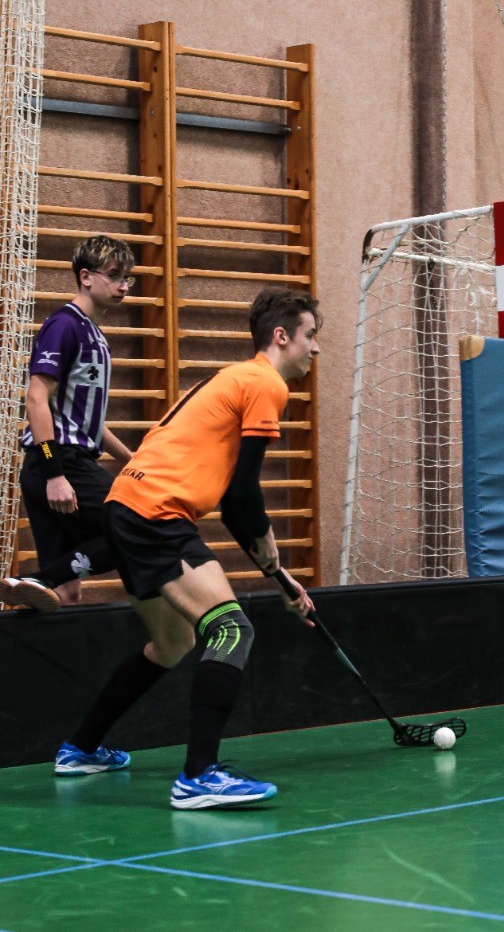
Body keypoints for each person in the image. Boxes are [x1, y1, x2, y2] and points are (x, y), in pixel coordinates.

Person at [54, 287, 321, 810]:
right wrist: (271, 551)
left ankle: (79, 749)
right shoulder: (266, 383)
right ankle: (198, 776)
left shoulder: (231, 378)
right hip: (155, 514)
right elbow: (244, 496)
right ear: (281, 336)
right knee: (231, 628)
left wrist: (281, 578)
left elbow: (233, 504)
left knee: (172, 643)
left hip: (125, 506)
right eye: (310, 336)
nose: (315, 348)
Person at [0, 235, 135, 613]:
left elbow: (90, 422)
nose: (123, 286)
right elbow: (35, 399)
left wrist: (133, 460)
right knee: (134, 527)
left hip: (62, 464)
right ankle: (38, 579)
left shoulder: (96, 337)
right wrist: (55, 473)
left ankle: (37, 586)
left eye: (127, 278)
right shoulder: (64, 325)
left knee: (66, 597)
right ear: (86, 277)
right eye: (114, 276)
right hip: (60, 465)